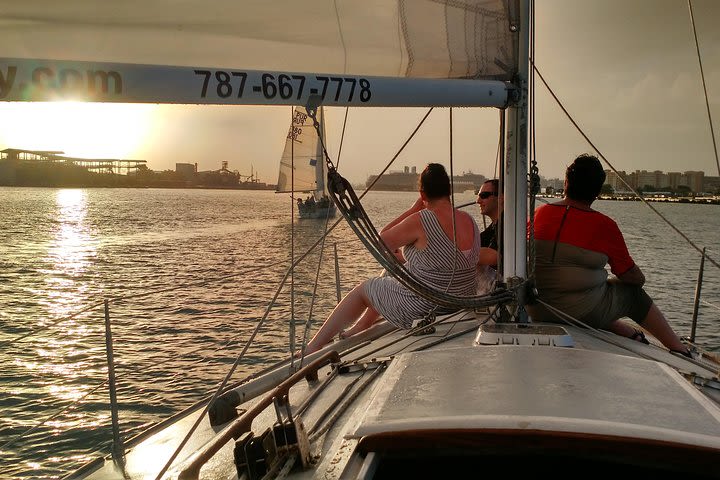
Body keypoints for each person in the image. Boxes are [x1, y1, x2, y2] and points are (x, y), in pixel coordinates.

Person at [303, 163, 482, 354]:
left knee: (364, 289)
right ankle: (362, 325)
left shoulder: (422, 219)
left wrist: (412, 210)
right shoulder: (469, 220)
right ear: (449, 191)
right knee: (392, 269)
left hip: (429, 306)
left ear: (422, 195)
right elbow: (443, 258)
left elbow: (380, 242)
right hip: (460, 300)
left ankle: (312, 347)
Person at [525, 153, 691, 356]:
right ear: (597, 192)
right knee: (632, 295)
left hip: (535, 307)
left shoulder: (539, 214)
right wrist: (640, 279)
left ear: (566, 183)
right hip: (577, 312)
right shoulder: (604, 226)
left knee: (596, 291)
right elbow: (629, 275)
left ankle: (623, 329)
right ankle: (679, 348)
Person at [476, 179, 503, 293]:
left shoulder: (507, 225)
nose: (478, 201)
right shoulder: (495, 225)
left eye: (484, 195)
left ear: (501, 198)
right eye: (478, 195)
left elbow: (494, 256)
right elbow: (477, 242)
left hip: (501, 289)